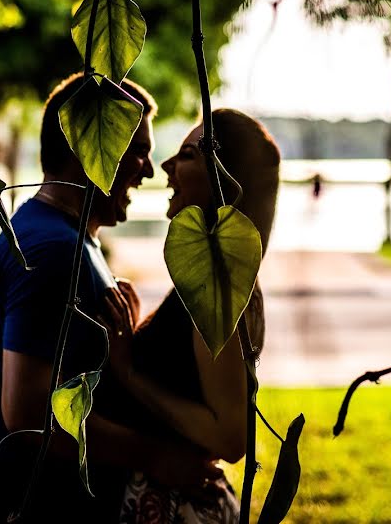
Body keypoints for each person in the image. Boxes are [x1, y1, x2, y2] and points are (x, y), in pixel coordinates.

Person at [0, 73, 223, 524]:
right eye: (138, 150)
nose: (148, 169)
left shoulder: (58, 236)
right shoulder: (52, 252)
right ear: (92, 147)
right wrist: (156, 456)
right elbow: (28, 413)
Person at [99, 108, 281, 524]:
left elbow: (229, 436)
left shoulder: (218, 284)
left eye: (186, 155)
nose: (165, 166)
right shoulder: (229, 278)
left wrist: (129, 372)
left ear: (225, 178)